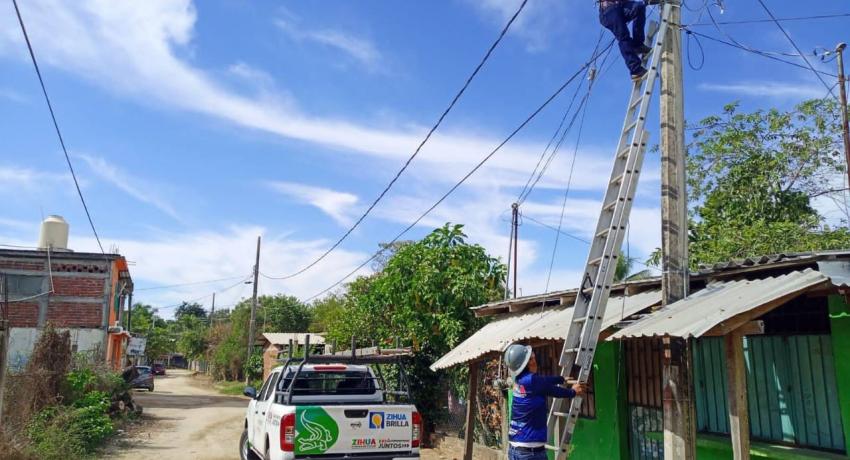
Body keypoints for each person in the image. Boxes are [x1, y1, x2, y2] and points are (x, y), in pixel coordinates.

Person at [504, 343, 586, 460]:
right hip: (530, 453)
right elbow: (554, 391)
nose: (535, 360)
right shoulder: (532, 381)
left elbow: (543, 380)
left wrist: (561, 379)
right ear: (529, 362)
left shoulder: (520, 380)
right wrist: (573, 392)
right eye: (532, 358)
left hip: (515, 449)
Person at [599, 0, 654, 81]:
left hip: (621, 5)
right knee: (623, 36)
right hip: (608, 10)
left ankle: (638, 45)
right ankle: (635, 70)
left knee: (639, 7)